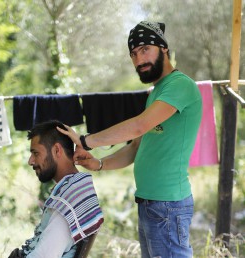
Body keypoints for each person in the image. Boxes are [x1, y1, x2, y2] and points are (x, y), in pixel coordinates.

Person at [58, 21, 202, 258]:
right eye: (133, 54)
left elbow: (138, 126)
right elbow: (137, 146)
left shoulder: (180, 85)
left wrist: (85, 141)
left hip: (168, 206)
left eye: (145, 49)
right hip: (150, 204)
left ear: (163, 48)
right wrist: (99, 163)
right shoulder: (157, 92)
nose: (138, 60)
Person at [8, 120, 104, 258]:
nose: (31, 161)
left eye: (35, 153)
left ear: (57, 150)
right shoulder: (75, 188)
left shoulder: (69, 200)